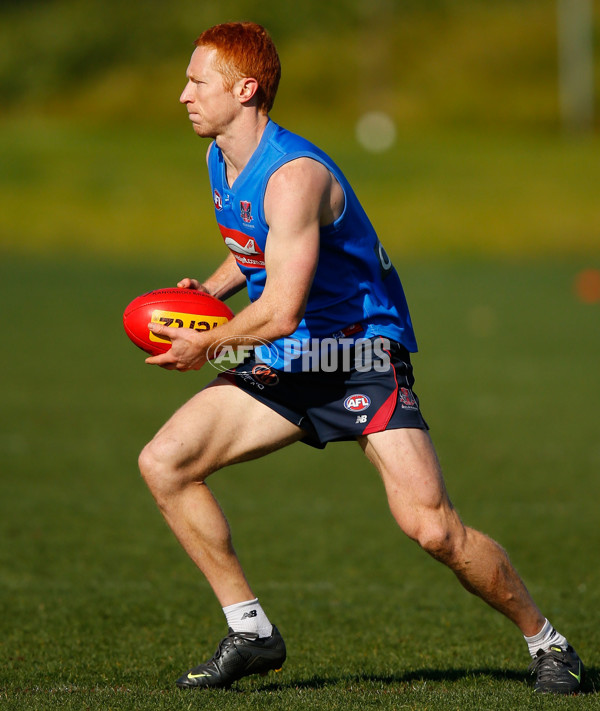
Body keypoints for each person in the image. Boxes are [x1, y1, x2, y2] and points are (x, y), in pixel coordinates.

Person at [137, 21, 583, 694]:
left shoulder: (294, 177)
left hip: (358, 353)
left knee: (432, 529)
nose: (183, 95)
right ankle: (251, 628)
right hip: (289, 357)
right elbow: (255, 246)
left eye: (198, 82)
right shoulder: (219, 159)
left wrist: (209, 341)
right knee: (165, 462)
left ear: (245, 89)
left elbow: (284, 305)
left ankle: (548, 643)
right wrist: (212, 290)